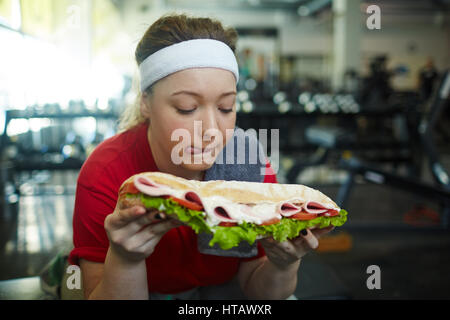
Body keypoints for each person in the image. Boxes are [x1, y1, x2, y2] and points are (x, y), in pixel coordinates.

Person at [68, 13, 334, 300]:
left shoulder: (246, 164)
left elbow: (261, 292)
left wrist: (283, 265)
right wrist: (125, 259)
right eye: (186, 108)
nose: (210, 130)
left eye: (226, 107)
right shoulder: (106, 173)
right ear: (146, 102)